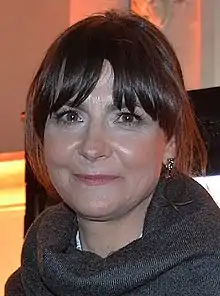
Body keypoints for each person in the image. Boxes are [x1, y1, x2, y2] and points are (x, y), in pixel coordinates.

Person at [5, 10, 220, 296]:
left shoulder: (208, 277)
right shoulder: (28, 281)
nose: (93, 147)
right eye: (71, 117)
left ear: (170, 141)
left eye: (126, 118)